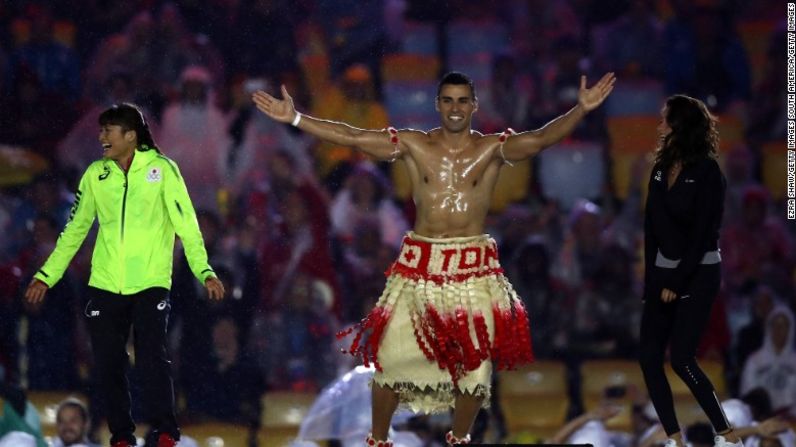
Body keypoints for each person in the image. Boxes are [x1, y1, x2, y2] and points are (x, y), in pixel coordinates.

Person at [252, 70, 615, 445]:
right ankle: (378, 440)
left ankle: (458, 439)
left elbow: (539, 139)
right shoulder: (415, 145)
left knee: (475, 371)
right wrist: (296, 119)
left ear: (473, 106)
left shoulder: (491, 149)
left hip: (471, 263)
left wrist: (580, 110)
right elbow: (355, 137)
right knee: (389, 361)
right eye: (448, 101)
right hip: (423, 261)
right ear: (438, 106)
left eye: (462, 101)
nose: (455, 108)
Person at [23, 103, 225, 447]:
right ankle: (121, 436)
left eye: (108, 131)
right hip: (104, 283)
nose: (101, 137)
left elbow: (187, 226)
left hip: (150, 281)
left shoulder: (162, 170)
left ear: (130, 135)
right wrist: (46, 276)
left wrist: (204, 271)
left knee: (151, 356)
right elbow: (74, 231)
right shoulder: (95, 176)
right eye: (101, 130)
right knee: (109, 362)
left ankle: (163, 430)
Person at [638, 94, 737, 447]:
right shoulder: (661, 167)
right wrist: (653, 282)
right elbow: (651, 229)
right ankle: (674, 438)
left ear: (681, 125)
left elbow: (702, 235)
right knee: (648, 356)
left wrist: (677, 282)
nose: (660, 124)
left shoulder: (709, 172)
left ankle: (726, 433)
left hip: (699, 272)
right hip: (664, 273)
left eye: (666, 119)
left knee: (681, 358)